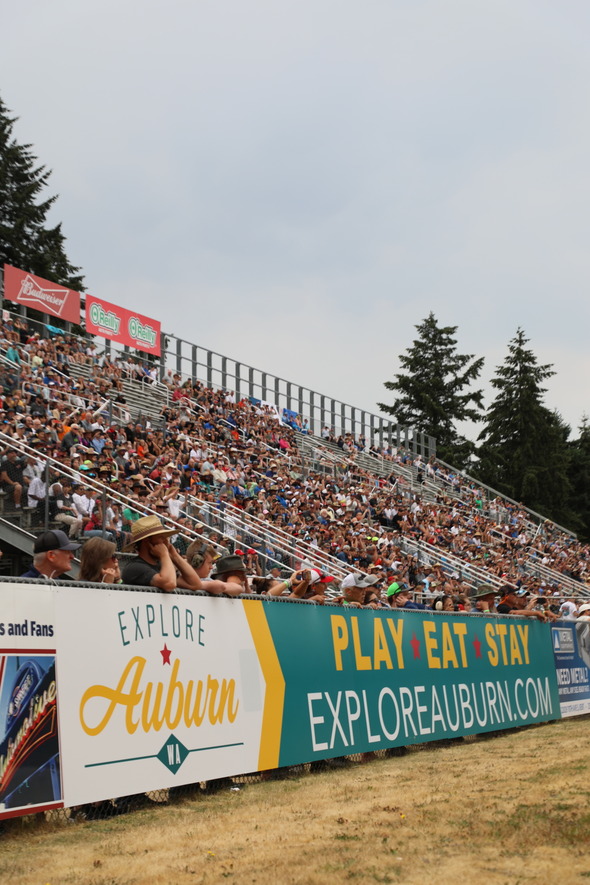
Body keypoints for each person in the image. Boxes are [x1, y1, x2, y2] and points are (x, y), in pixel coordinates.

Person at [121, 516, 202, 592]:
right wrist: (164, 555)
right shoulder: (134, 567)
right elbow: (169, 583)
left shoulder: (161, 565)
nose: (166, 541)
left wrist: (174, 555)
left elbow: (195, 584)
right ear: (146, 540)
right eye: (161, 537)